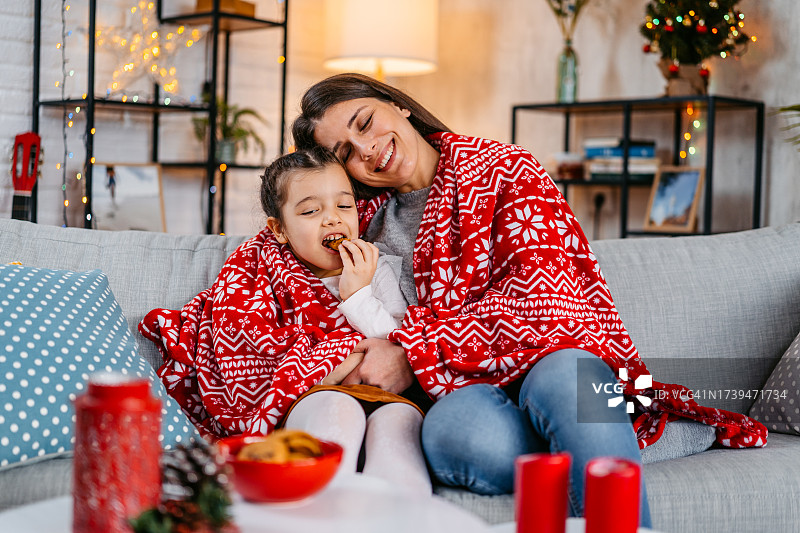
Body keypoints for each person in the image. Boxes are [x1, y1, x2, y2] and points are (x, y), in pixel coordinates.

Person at [290, 73, 767, 525]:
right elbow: (284, 241)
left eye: (366, 122)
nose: (368, 149)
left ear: (397, 104)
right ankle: (605, 441)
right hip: (464, 390)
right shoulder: (356, 224)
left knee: (570, 380)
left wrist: (413, 353)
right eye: (345, 152)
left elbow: (545, 303)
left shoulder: (505, 169)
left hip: (548, 360)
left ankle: (606, 441)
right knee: (455, 437)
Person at [259, 146, 430, 492]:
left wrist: (358, 294)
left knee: (398, 424)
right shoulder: (269, 275)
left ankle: (403, 513)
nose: (333, 219)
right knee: (339, 411)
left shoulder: (376, 265)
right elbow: (265, 349)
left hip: (387, 395)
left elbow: (400, 341)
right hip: (319, 395)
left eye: (344, 205)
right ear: (279, 229)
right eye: (310, 210)